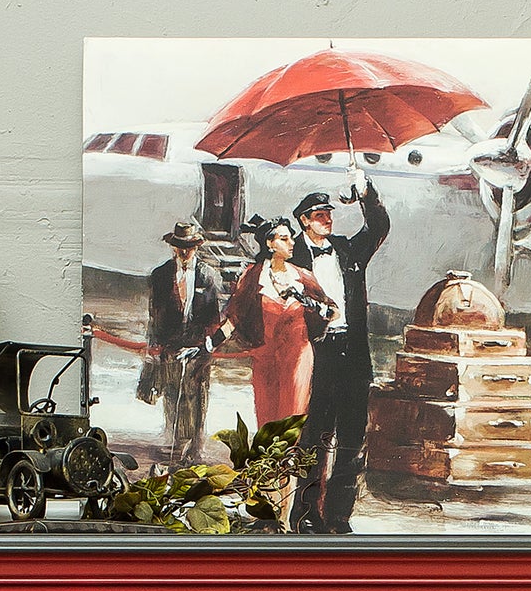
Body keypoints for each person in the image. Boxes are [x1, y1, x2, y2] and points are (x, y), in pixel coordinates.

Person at [290, 175, 389, 532]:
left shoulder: (346, 249)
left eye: (328, 213)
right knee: (315, 435)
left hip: (354, 353)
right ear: (304, 220)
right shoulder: (292, 255)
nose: (327, 219)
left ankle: (338, 517)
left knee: (351, 437)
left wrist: (365, 191)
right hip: (319, 354)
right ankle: (305, 515)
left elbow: (379, 226)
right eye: (319, 215)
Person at [221, 216, 333, 431]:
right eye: (284, 239)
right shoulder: (252, 276)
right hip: (264, 356)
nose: (292, 243)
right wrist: (207, 345)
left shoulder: (301, 276)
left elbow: (333, 310)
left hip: (297, 355)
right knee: (266, 416)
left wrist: (306, 301)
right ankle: (268, 463)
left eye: (291, 238)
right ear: (270, 243)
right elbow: (234, 317)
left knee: (292, 415)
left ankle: (286, 463)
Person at [146, 220, 227, 465]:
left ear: (197, 247)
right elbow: (155, 314)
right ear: (173, 247)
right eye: (180, 246)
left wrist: (202, 347)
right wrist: (155, 348)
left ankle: (195, 446)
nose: (184, 251)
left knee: (198, 396)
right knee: (172, 394)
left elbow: (213, 318)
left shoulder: (208, 276)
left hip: (198, 348)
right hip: (170, 346)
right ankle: (177, 442)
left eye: (189, 246)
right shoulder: (160, 276)